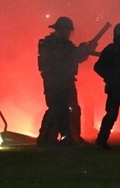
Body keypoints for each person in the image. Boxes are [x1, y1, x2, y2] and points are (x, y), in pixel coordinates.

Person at [37, 17, 94, 146]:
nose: (68, 33)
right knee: (57, 109)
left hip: (65, 80)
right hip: (55, 81)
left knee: (69, 109)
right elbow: (68, 57)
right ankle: (48, 138)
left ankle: (70, 137)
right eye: (66, 30)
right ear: (60, 30)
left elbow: (75, 58)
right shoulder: (51, 44)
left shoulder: (62, 45)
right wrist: (82, 50)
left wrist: (84, 51)